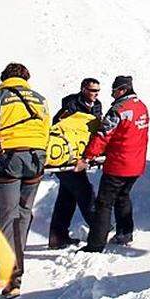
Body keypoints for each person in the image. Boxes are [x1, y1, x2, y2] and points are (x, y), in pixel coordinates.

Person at [0, 63, 50, 298]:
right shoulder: (40, 100)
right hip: (36, 159)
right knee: (23, 214)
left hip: (8, 161)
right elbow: (46, 130)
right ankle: (16, 264)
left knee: (8, 216)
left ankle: (12, 275)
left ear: (4, 78)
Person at [78, 75, 149, 252]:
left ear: (123, 90)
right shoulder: (141, 107)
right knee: (123, 196)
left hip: (118, 164)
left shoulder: (119, 110)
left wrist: (87, 157)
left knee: (104, 203)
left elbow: (103, 135)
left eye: (114, 91)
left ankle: (95, 244)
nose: (112, 95)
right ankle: (125, 233)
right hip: (136, 164)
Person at [47, 78, 103, 249]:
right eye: (93, 90)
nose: (96, 94)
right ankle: (99, 231)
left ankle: (58, 237)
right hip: (68, 158)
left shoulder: (97, 105)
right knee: (85, 193)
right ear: (83, 89)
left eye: (98, 91)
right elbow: (59, 128)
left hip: (81, 156)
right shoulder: (70, 105)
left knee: (67, 196)